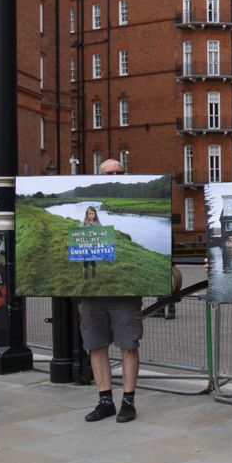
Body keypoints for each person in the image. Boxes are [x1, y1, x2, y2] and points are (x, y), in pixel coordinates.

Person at [80, 159, 142, 424]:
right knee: (96, 345)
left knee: (128, 344)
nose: (113, 176)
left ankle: (128, 401)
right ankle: (104, 400)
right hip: (92, 296)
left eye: (117, 173)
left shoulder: (127, 204)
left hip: (124, 294)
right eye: (107, 173)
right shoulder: (88, 208)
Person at [81, 205, 101, 280]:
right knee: (85, 263)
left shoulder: (98, 223)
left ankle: (93, 277)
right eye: (90, 214)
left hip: (94, 247)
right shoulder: (84, 223)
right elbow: (77, 234)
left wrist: (111, 240)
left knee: (93, 262)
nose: (91, 215)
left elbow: (104, 233)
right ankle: (85, 278)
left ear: (95, 214)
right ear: (87, 214)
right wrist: (71, 242)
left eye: (93, 213)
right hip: (85, 247)